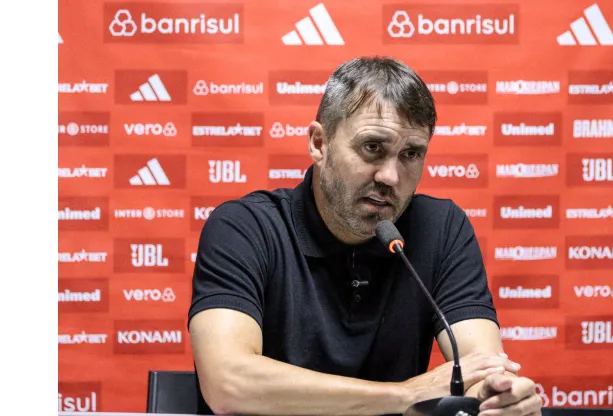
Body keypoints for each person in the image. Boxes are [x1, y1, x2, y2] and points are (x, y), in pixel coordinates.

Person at [188, 56, 543, 416]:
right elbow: (227, 384)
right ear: (319, 143)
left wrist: (501, 394)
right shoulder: (244, 227)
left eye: (411, 154)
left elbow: (479, 367)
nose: (390, 176)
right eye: (372, 147)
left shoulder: (441, 228)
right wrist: (405, 395)